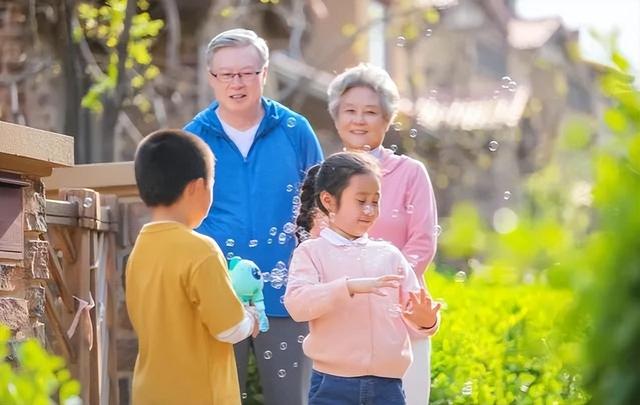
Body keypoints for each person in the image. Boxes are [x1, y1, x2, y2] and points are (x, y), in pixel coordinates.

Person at [184, 28, 323, 404]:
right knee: (218, 398)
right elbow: (182, 218)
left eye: (247, 72)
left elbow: (320, 208)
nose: (237, 83)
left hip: (287, 293)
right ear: (211, 78)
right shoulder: (193, 138)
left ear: (264, 74)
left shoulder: (296, 131)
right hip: (217, 291)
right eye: (226, 74)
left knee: (291, 399)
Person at [285, 152, 441, 405]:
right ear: (328, 201)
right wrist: (347, 287)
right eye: (361, 201)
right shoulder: (311, 252)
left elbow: (416, 311)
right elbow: (297, 305)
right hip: (332, 384)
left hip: (388, 387)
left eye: (375, 201)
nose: (369, 210)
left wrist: (426, 321)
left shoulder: (390, 255)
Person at [327, 64, 439, 404]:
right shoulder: (324, 175)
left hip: (401, 314)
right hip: (341, 319)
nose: (358, 120)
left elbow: (422, 241)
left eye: (370, 112)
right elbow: (317, 240)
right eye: (350, 111)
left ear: (387, 120)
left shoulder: (410, 173)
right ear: (336, 118)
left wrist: (381, 286)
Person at [126, 129, 260, 405]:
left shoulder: (140, 249)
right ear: (196, 187)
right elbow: (229, 328)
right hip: (200, 395)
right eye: (212, 185)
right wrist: (251, 319)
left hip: (148, 394)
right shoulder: (202, 249)